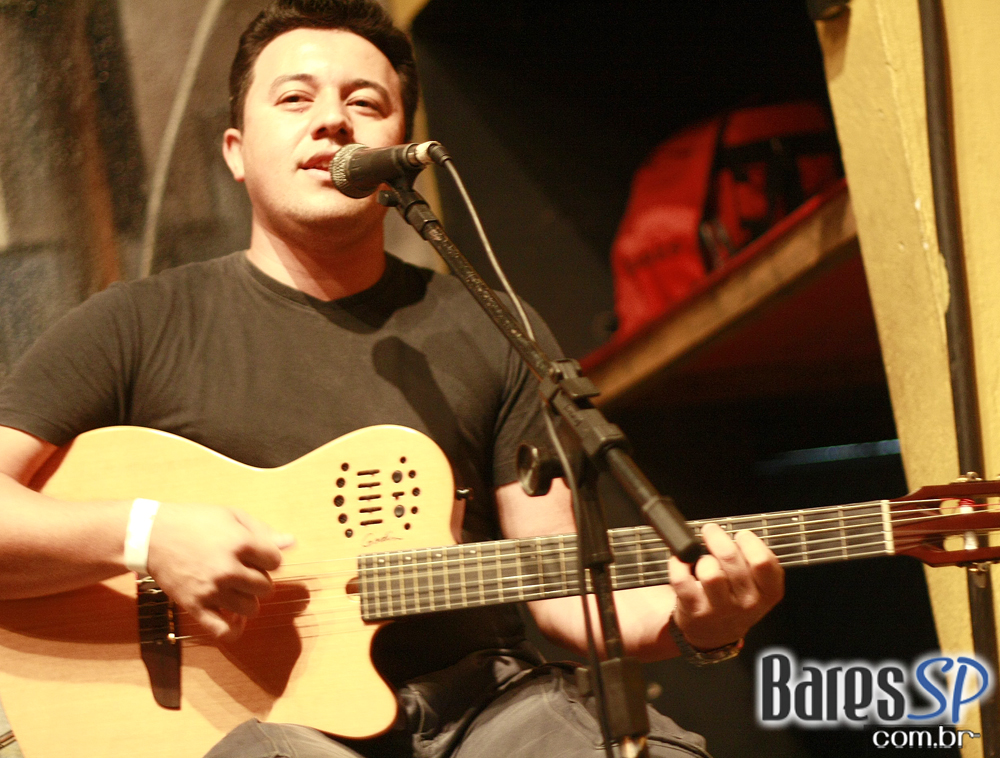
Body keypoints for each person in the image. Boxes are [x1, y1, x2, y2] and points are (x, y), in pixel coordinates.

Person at [0, 1, 784, 756]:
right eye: (296, 98)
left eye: (365, 103)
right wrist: (144, 535)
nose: (332, 121)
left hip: (488, 713)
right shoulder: (135, 325)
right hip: (263, 727)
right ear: (236, 151)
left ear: (402, 148)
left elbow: (563, 586)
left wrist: (701, 625)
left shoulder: (492, 323)